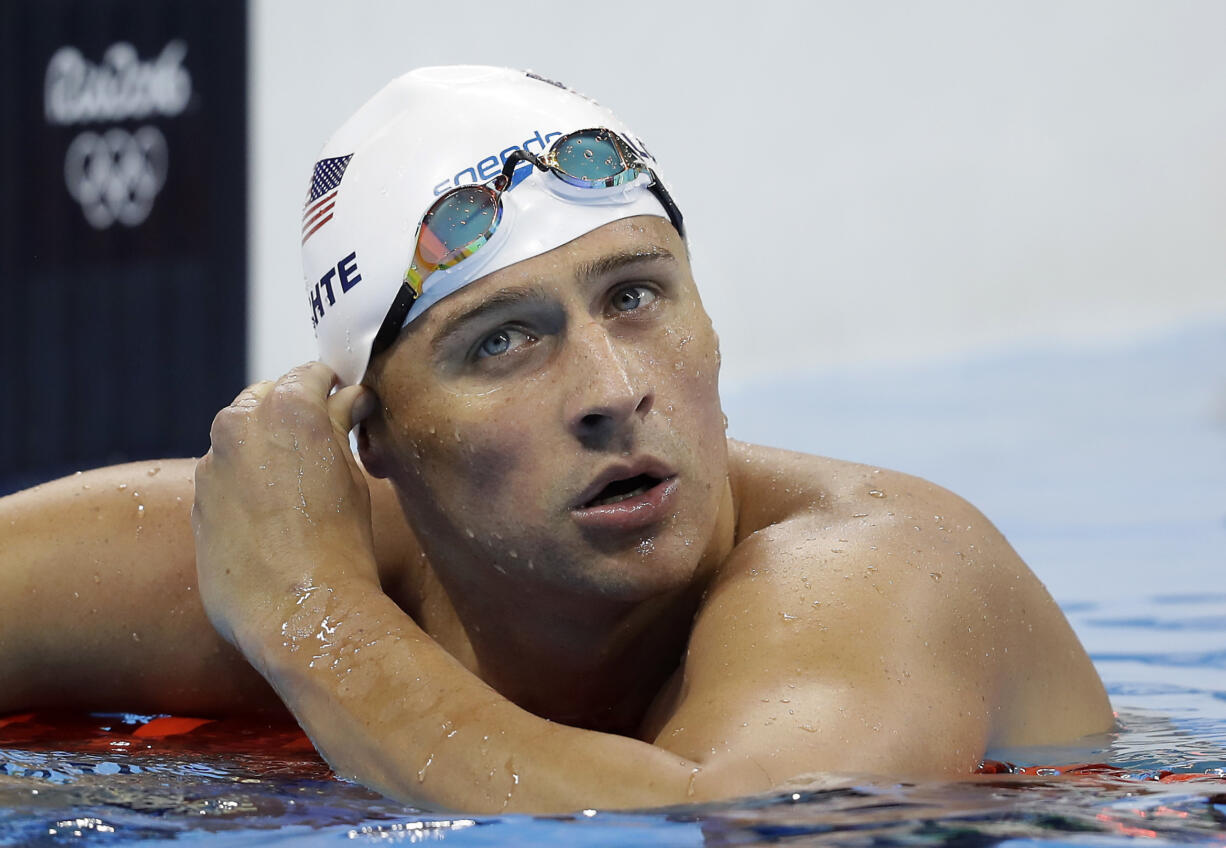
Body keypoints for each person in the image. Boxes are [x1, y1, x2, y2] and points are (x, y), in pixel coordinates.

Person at [0, 66, 1113, 813]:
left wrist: (308, 621)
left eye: (634, 296)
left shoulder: (879, 563)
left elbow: (715, 824)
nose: (612, 388)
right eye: (501, 342)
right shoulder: (275, 545)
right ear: (372, 435)